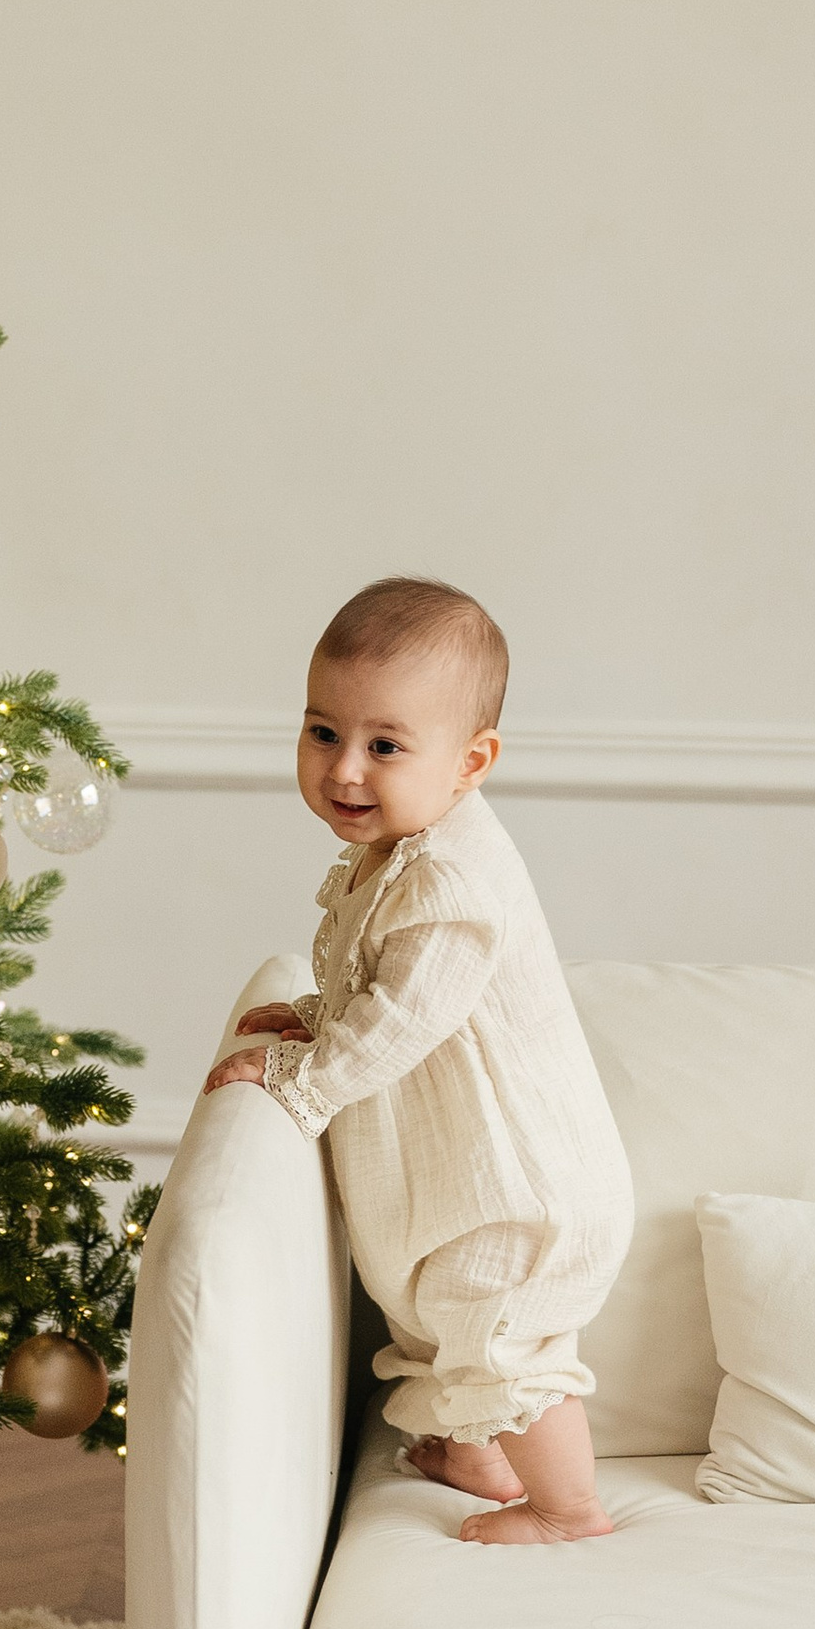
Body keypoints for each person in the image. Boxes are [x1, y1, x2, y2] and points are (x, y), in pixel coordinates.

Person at [202, 577, 634, 1545]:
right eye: (322, 732)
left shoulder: (451, 877)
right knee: (434, 1321)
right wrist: (318, 1016)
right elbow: (367, 981)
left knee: (502, 1337)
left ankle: (571, 1510)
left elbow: (406, 1015)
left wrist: (297, 1079)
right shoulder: (395, 846)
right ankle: (476, 1455)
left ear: (470, 761)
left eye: (384, 746)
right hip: (459, 1179)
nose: (344, 769)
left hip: (521, 1184)